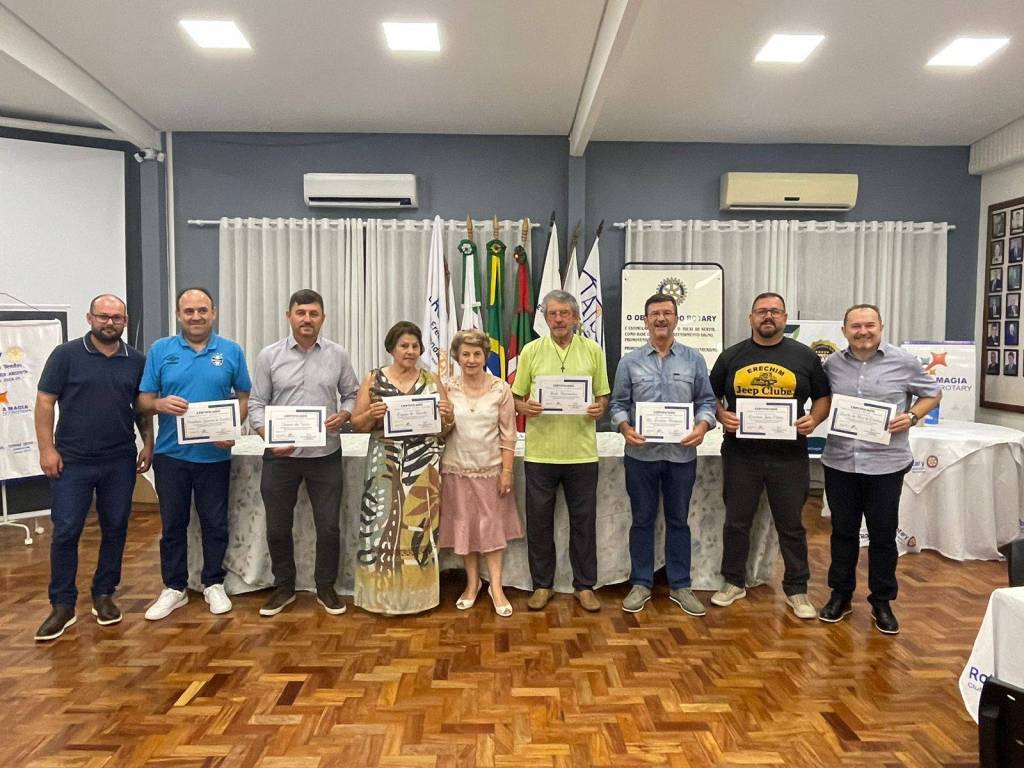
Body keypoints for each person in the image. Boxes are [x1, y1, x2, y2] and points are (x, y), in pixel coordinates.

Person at [32, 295, 153, 641]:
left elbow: (142, 407)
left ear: (125, 321)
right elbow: (44, 402)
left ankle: (104, 594)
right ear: (89, 318)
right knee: (67, 530)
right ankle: (62, 605)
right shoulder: (66, 355)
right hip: (72, 460)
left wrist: (148, 444)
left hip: (119, 460)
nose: (109, 322)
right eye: (103, 316)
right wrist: (46, 449)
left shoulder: (137, 360)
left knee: (115, 527)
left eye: (116, 317)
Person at [818, 305, 941, 635]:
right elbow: (822, 402)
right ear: (844, 331)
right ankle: (840, 596)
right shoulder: (831, 365)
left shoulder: (904, 362)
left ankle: (882, 602)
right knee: (843, 533)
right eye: (855, 326)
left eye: (869, 325)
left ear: (881, 327)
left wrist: (912, 416)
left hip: (886, 464)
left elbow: (933, 393)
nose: (863, 332)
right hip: (841, 462)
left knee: (883, 536)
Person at [709, 292, 830, 619]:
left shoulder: (805, 356)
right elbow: (710, 395)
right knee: (737, 522)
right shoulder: (731, 356)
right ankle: (733, 582)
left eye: (775, 311)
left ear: (784, 318)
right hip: (741, 455)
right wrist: (721, 414)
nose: (768, 316)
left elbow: (823, 397)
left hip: (789, 456)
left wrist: (815, 419)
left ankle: (797, 589)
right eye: (761, 311)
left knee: (791, 525)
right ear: (750, 317)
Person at [138, 287, 251, 620]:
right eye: (189, 311)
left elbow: (244, 395)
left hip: (214, 457)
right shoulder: (161, 350)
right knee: (173, 524)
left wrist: (232, 427)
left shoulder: (231, 350)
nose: (196, 317)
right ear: (178, 315)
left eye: (202, 310)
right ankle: (174, 588)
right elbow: (143, 399)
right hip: (171, 455)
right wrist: (159, 404)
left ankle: (213, 583)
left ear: (213, 312)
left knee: (215, 522)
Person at [248, 289, 359, 617]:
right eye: (301, 313)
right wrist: (267, 435)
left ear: (323, 318)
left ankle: (326, 587)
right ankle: (284, 587)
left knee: (328, 527)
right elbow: (257, 403)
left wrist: (346, 413)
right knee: (277, 527)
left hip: (325, 454)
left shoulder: (338, 354)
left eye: (313, 313)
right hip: (280, 456)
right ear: (289, 316)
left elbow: (351, 394)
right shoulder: (269, 356)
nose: (307, 319)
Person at [609, 293, 717, 616]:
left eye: (667, 313)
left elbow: (707, 402)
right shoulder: (629, 362)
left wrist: (702, 426)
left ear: (676, 319)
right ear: (645, 320)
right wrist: (625, 428)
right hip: (640, 456)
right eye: (655, 313)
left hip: (681, 456)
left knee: (678, 521)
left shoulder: (694, 359)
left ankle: (680, 585)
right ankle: (641, 583)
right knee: (642, 520)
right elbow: (618, 404)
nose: (661, 318)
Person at [511, 290, 611, 612]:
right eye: (552, 314)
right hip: (540, 454)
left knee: (584, 523)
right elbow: (515, 398)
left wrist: (599, 408)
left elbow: (603, 396)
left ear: (575, 317)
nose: (558, 319)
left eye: (564, 313)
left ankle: (585, 586)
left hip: (582, 453)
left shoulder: (593, 350)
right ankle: (542, 585)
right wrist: (524, 407)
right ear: (545, 318)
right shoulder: (531, 351)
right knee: (539, 523)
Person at [349, 321, 454, 614]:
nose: (410, 351)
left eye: (415, 346)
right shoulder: (373, 378)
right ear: (392, 349)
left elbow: (446, 429)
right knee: (380, 526)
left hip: (423, 466)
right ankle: (380, 597)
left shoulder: (432, 379)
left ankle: (419, 597)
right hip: (385, 464)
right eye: (404, 346)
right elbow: (357, 424)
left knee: (419, 530)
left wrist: (448, 415)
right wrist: (371, 414)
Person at [439, 330, 523, 616]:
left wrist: (507, 471)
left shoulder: (501, 389)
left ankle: (495, 587)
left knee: (491, 529)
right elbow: (439, 432)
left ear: (486, 356)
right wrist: (443, 421)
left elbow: (508, 434)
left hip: (491, 471)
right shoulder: (447, 388)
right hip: (456, 469)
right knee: (466, 528)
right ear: (457, 357)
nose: (471, 359)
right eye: (466, 354)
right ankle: (472, 583)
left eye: (477, 354)